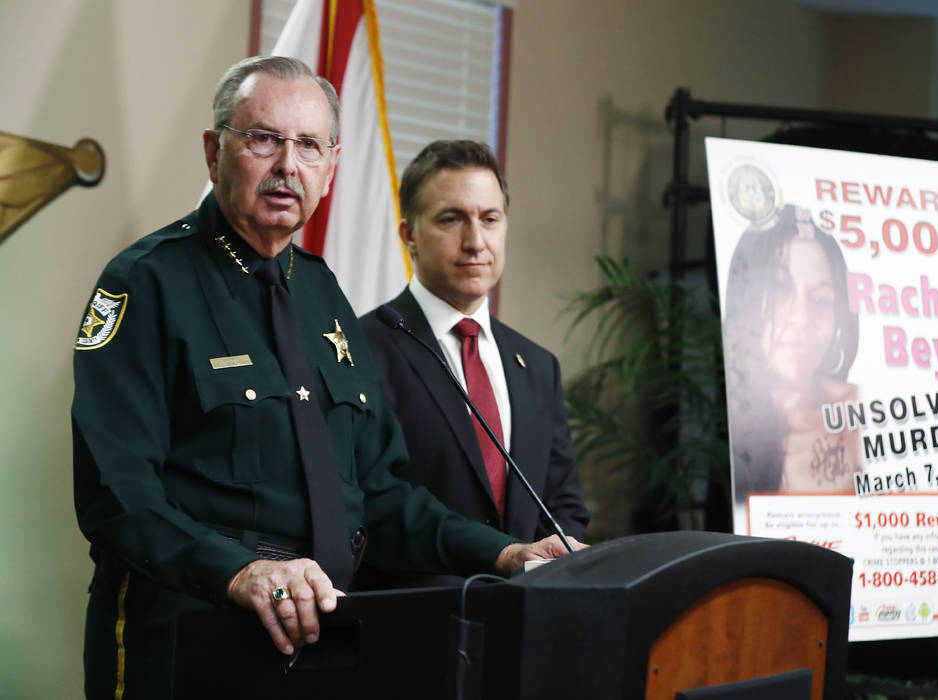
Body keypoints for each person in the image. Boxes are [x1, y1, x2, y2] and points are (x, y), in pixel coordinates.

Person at [71, 56, 572, 699]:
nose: (287, 165)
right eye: (263, 138)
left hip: (320, 647)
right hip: (183, 638)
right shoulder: (145, 282)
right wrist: (240, 572)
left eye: (309, 145)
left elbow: (382, 497)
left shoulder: (323, 293)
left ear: (331, 167)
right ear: (212, 150)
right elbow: (117, 496)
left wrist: (505, 555)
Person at [358, 140, 588, 588]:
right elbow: (375, 500)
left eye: (489, 219)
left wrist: (556, 564)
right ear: (409, 235)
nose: (475, 241)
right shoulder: (363, 348)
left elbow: (564, 506)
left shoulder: (538, 366)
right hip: (412, 623)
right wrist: (501, 555)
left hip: (526, 623)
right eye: (451, 219)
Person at [722, 203, 861, 500]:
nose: (801, 315)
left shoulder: (863, 421)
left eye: (821, 299)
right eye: (779, 287)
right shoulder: (718, 420)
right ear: (744, 298)